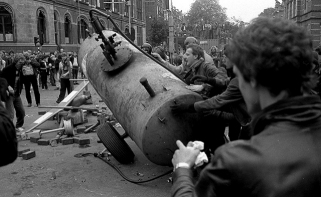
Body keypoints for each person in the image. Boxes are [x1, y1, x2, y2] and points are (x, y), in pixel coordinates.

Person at [171, 17, 321, 197]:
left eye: (240, 76)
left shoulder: (234, 161)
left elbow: (219, 100)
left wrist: (182, 169)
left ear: (253, 80)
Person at [0, 53, 26, 132]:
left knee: (21, 111)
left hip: (16, 93)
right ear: (16, 61)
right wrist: (7, 87)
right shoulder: (8, 69)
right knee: (10, 114)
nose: (21, 64)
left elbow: (21, 81)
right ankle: (9, 130)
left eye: (22, 63)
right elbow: (1, 79)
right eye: (20, 63)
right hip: (9, 94)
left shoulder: (21, 69)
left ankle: (18, 125)